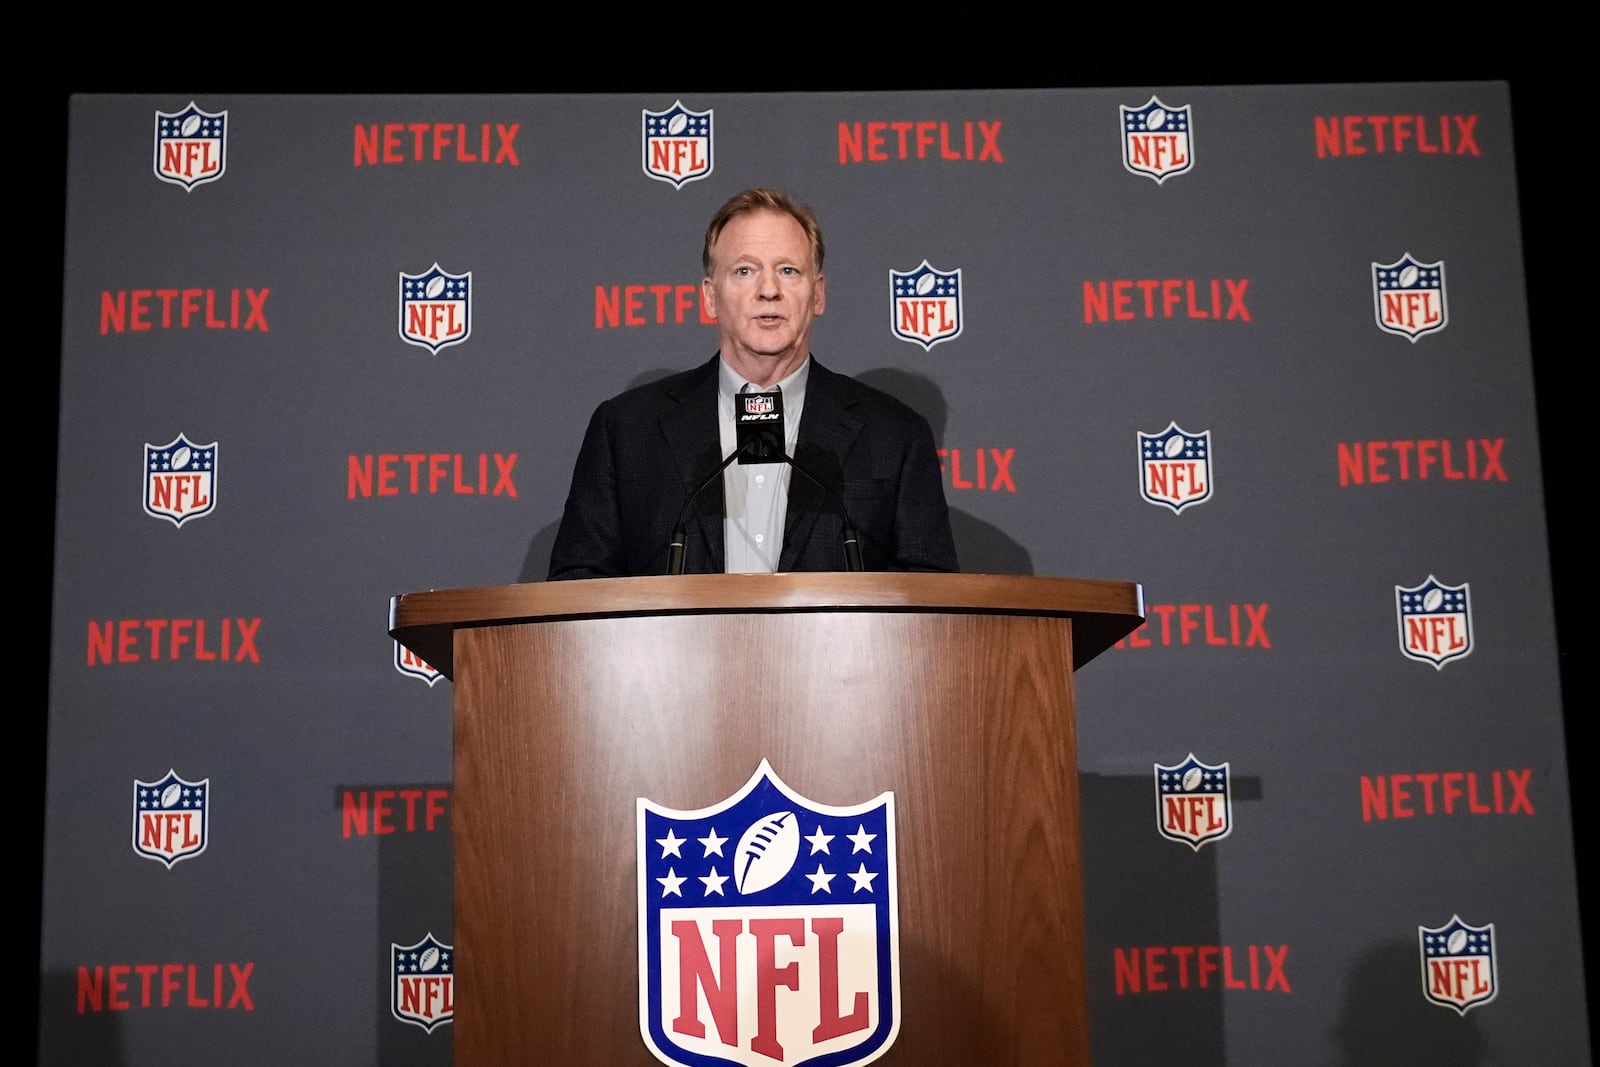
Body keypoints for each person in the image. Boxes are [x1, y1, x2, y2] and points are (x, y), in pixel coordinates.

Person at [547, 187, 958, 579]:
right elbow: (578, 587)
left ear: (818, 295)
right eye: (745, 270)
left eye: (788, 270)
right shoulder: (626, 432)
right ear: (710, 297)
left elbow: (930, 600)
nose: (768, 291)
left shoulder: (894, 436)